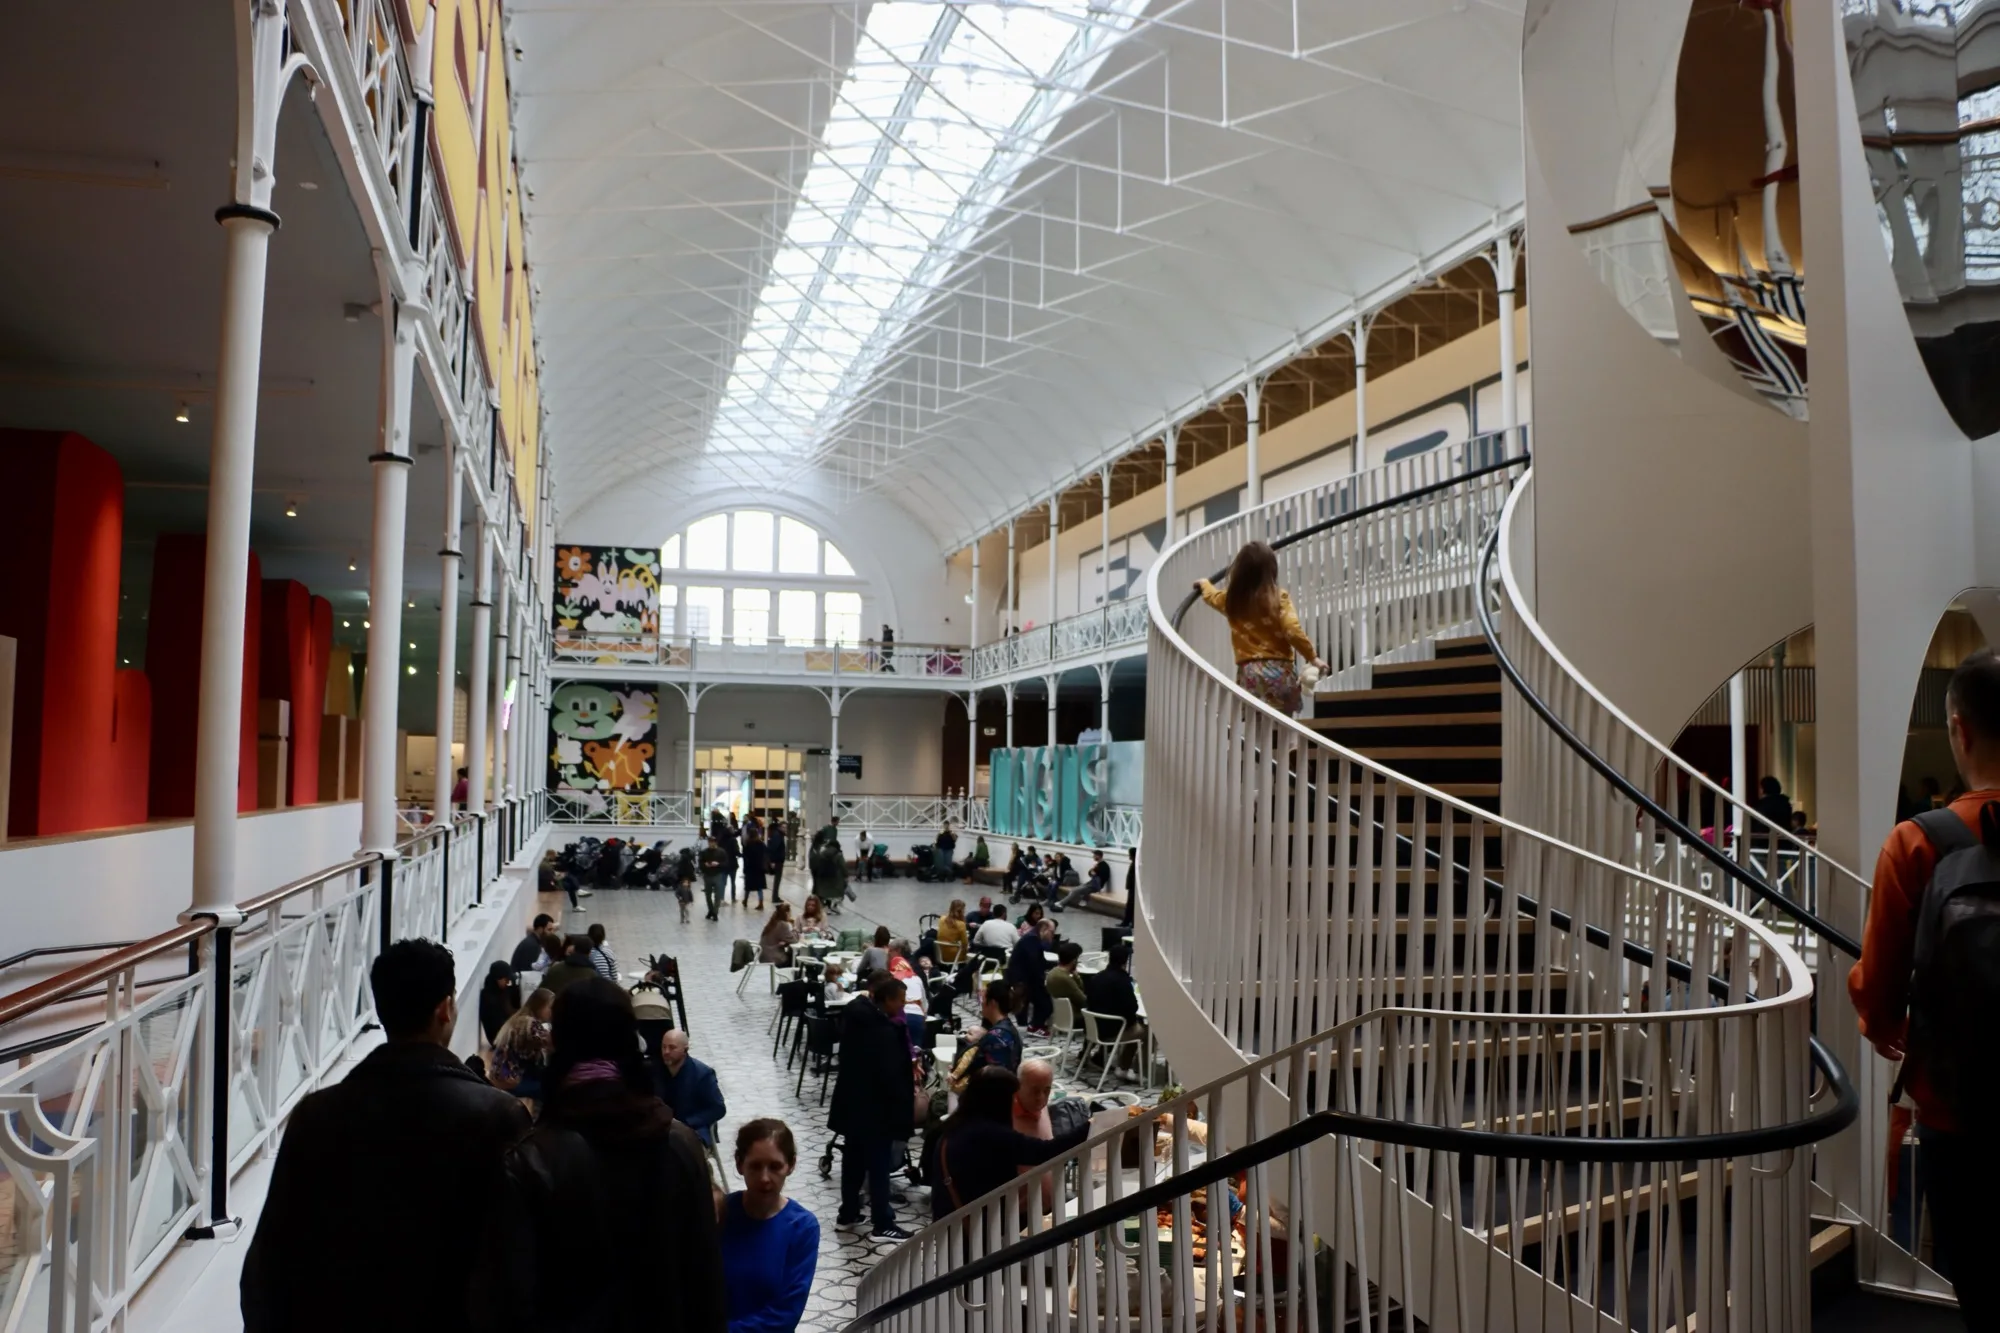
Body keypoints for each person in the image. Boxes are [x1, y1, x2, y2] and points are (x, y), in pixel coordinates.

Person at [241, 940, 530, 1333]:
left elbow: (269, 1264)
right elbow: (513, 1267)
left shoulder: (317, 1114)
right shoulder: (498, 1116)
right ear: (445, 1009)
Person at [1849, 649, 2000, 1324]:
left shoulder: (1918, 843)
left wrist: (1885, 1027)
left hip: (1957, 1109)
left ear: (1959, 730)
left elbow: (1877, 987)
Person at [475, 978, 727, 1331]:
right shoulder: (679, 1144)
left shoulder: (531, 1160)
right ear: (631, 1042)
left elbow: (510, 1298)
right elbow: (705, 1284)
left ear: (557, 1044)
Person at [930, 1066, 1088, 1221]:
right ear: (998, 1099)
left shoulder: (956, 1124)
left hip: (949, 1220)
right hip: (977, 1227)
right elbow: (1044, 1151)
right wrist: (1089, 1127)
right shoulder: (991, 1134)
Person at [828, 974, 919, 1241]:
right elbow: (890, 1075)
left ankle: (848, 1213)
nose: (902, 1006)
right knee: (879, 1165)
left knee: (853, 1160)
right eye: (900, 1001)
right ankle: (883, 1222)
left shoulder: (857, 1018)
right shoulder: (883, 1032)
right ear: (887, 1000)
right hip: (877, 1110)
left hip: (853, 1106)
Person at [1193, 539, 1329, 715]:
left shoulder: (1233, 601)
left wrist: (1205, 584)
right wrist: (1313, 657)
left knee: (1255, 723)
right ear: (1272, 570)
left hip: (1250, 673)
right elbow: (1292, 630)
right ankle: (1289, 743)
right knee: (1285, 722)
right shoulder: (1279, 598)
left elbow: (1212, 596)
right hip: (1280, 671)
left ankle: (1259, 743)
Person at [719, 1119, 820, 1333]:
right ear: (739, 1164)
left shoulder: (802, 1228)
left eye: (775, 1167)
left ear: (790, 1165)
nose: (764, 1178)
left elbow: (785, 1314)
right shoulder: (720, 1212)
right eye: (755, 1166)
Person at [655, 1028, 728, 1148]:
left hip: (693, 1129)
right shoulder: (655, 1070)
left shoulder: (702, 1074)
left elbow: (718, 1108)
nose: (666, 1052)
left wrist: (688, 1122)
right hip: (661, 1129)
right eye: (663, 1047)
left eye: (672, 1047)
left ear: (685, 1050)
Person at [1083, 942, 1146, 1074]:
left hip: (1093, 1026)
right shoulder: (1122, 981)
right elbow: (1132, 1007)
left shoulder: (1097, 977)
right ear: (1125, 961)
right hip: (1111, 1031)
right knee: (1144, 1031)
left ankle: (1100, 1057)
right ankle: (1125, 1067)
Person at [489, 987, 555, 1101]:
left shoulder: (519, 1019)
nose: (551, 1012)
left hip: (502, 1076)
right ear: (539, 1006)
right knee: (552, 1087)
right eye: (549, 1007)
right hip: (511, 1080)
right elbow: (552, 1042)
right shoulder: (529, 1023)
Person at [957, 980, 1022, 1086]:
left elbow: (994, 1079)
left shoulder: (997, 1037)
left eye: (983, 998)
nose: (981, 1002)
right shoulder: (1006, 1029)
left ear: (992, 1003)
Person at [1008, 920, 1056, 1031]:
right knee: (1045, 1003)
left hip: (1027, 977)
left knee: (1041, 1002)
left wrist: (1055, 965)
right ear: (1044, 929)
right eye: (1051, 932)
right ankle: (1034, 1026)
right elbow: (1034, 962)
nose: (1052, 935)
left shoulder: (1033, 938)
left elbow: (1039, 961)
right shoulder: (1032, 939)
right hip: (1024, 978)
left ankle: (1033, 1025)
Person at [479, 959, 520, 1045]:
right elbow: (497, 1026)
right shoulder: (489, 998)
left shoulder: (501, 991)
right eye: (506, 979)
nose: (508, 982)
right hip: (499, 1039)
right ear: (498, 979)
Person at [1047, 941, 1088, 1018]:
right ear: (1074, 960)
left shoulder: (1052, 972)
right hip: (1073, 1016)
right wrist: (1077, 977)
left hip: (1060, 1015)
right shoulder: (1065, 979)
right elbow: (1083, 1000)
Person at [759, 902, 799, 966]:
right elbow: (794, 940)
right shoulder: (782, 924)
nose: (790, 916)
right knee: (795, 959)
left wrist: (784, 943)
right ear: (787, 913)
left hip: (764, 956)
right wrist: (794, 929)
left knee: (790, 954)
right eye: (790, 914)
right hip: (773, 957)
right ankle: (794, 975)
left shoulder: (772, 922)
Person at [742, 818, 769, 910]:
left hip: (750, 868)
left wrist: (745, 869)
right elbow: (766, 853)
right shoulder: (761, 844)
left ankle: (745, 900)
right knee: (759, 887)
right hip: (759, 868)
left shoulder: (747, 845)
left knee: (748, 886)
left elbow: (745, 857)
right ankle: (761, 903)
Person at [701, 834, 729, 921]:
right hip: (707, 875)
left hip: (718, 874)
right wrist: (705, 865)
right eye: (709, 842)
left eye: (712, 842)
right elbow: (700, 863)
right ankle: (711, 910)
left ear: (715, 843)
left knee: (718, 895)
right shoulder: (704, 852)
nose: (711, 844)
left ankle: (715, 912)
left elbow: (726, 863)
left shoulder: (721, 852)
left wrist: (718, 864)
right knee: (708, 895)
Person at [935, 899, 970, 965]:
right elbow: (965, 944)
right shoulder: (961, 924)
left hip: (940, 953)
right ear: (962, 910)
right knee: (971, 953)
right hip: (954, 956)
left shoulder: (942, 919)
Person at [766, 820, 789, 901]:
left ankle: (775, 896)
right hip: (777, 861)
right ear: (780, 827)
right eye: (783, 827)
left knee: (777, 880)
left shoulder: (779, 835)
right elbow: (773, 849)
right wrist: (772, 861)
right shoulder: (778, 835)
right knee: (777, 880)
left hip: (778, 860)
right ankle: (775, 897)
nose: (785, 829)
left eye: (786, 827)